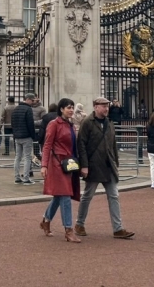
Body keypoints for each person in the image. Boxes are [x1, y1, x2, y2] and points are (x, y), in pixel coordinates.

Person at [75, 97, 134, 239]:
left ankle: (118, 228)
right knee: (87, 196)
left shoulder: (109, 122)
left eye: (107, 106)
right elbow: (81, 145)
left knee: (114, 196)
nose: (106, 109)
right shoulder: (87, 122)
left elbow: (113, 144)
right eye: (103, 106)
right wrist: (84, 165)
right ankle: (79, 223)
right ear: (95, 107)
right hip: (94, 165)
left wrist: (116, 162)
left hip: (108, 165)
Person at [40, 98, 81, 242]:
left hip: (69, 164)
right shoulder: (54, 124)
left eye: (72, 107)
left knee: (59, 195)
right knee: (65, 195)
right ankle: (68, 230)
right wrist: (44, 165)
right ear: (61, 109)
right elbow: (47, 145)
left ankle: (46, 220)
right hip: (57, 164)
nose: (71, 110)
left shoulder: (71, 124)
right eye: (68, 107)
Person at [12, 93, 36, 185]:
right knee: (27, 157)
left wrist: (15, 134)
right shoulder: (28, 109)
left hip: (17, 136)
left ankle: (17, 177)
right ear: (28, 99)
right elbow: (30, 124)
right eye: (32, 100)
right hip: (26, 136)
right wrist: (33, 136)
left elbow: (13, 123)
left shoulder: (16, 109)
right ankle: (26, 178)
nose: (33, 102)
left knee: (18, 157)